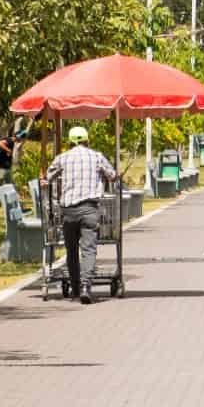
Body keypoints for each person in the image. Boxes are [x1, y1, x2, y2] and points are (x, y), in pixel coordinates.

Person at [46, 125, 119, 304]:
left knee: (71, 250)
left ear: (70, 142)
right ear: (87, 140)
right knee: (88, 249)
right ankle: (87, 286)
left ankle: (76, 287)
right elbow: (112, 175)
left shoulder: (62, 158)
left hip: (68, 211)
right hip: (89, 210)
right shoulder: (97, 156)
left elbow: (47, 177)